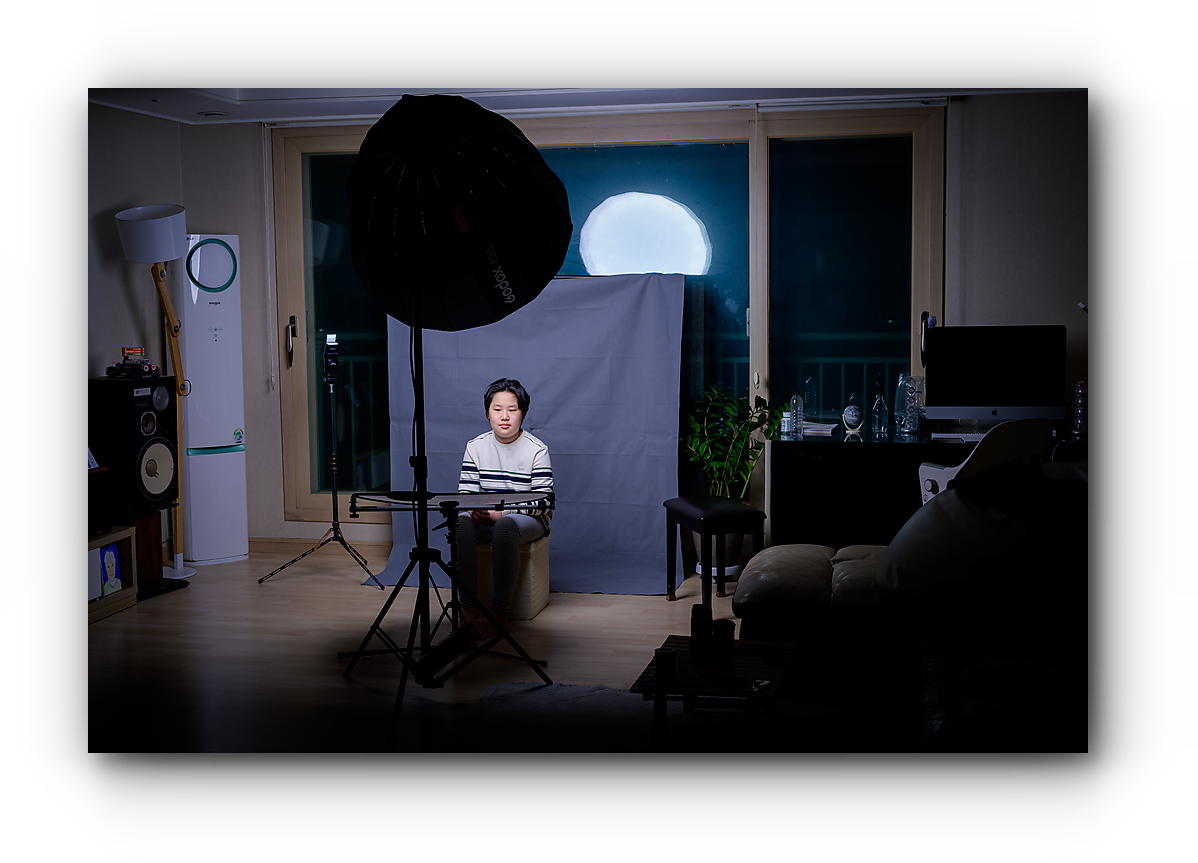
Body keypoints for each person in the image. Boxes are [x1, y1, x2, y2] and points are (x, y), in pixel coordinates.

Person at [456, 378, 552, 639]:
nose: (505, 416)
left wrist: (503, 514)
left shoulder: (537, 450)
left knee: (506, 527)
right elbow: (466, 493)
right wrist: (473, 509)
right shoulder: (475, 446)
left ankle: (499, 615)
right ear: (487, 413)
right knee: (461, 523)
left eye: (512, 409)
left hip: (527, 520)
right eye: (497, 409)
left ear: (523, 414)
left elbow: (542, 502)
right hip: (486, 516)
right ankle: (470, 610)